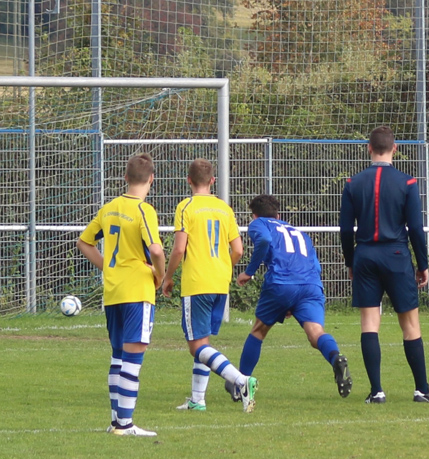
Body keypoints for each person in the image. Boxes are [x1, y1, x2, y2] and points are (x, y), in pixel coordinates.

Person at [339, 126, 429, 404]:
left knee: (369, 323)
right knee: (410, 324)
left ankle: (376, 391)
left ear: (369, 148)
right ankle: (422, 390)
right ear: (394, 148)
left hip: (365, 255)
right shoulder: (407, 183)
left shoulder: (353, 183)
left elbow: (346, 230)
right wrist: (423, 264)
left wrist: (351, 261)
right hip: (396, 255)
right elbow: (416, 229)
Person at [77, 153, 166, 437]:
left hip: (113, 291)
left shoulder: (109, 208)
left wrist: (108, 267)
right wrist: (160, 276)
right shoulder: (144, 210)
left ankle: (116, 421)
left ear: (125, 177)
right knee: (133, 357)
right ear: (152, 179)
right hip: (137, 290)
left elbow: (84, 242)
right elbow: (156, 250)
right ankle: (125, 425)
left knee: (118, 356)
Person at [232, 194, 352, 402]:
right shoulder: (299, 232)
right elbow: (316, 265)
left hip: (282, 283)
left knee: (259, 330)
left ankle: (240, 385)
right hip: (311, 285)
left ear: (254, 215)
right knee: (316, 333)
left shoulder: (259, 224)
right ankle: (335, 357)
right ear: (278, 215)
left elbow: (264, 240)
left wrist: (249, 272)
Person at [161, 159, 258, 413]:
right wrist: (224, 266)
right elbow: (238, 250)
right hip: (220, 283)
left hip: (197, 283)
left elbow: (179, 249)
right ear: (212, 181)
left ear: (188, 180)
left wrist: (168, 277)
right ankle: (197, 400)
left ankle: (241, 381)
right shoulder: (224, 209)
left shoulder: (186, 207)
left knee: (197, 346)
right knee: (203, 341)